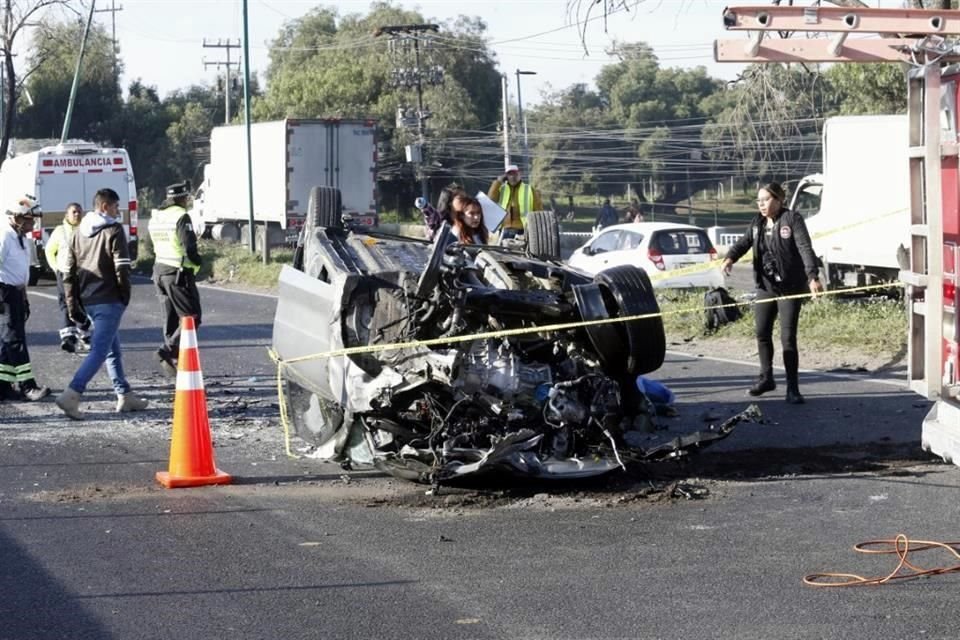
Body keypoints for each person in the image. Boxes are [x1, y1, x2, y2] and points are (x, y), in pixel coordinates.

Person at [720, 182, 822, 405]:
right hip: (765, 287)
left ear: (778, 199)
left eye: (765, 199)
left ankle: (793, 389)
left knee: (788, 338)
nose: (761, 204)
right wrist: (730, 258)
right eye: (759, 200)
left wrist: (812, 277)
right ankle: (766, 378)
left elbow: (805, 248)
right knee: (761, 332)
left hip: (790, 287)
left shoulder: (792, 219)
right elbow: (744, 242)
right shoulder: (757, 223)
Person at [56, 188, 148, 419]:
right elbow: (122, 268)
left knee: (111, 349)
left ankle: (124, 395)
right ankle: (72, 394)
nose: (119, 212)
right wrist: (124, 296)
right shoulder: (114, 230)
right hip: (109, 298)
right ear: (105, 206)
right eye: (116, 207)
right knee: (99, 351)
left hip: (89, 299)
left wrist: (72, 304)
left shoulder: (77, 233)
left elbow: (68, 271)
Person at [150, 181, 203, 377]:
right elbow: (189, 247)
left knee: (171, 319)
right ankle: (167, 350)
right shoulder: (181, 216)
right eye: (186, 198)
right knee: (191, 318)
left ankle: (175, 365)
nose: (188, 201)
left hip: (159, 271)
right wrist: (198, 263)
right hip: (178, 273)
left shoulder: (157, 217)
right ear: (181, 198)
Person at [0, 196, 50, 402]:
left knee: (6, 342)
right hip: (4, 292)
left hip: (17, 292)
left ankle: (2, 387)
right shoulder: (5, 237)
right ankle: (28, 386)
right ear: (17, 218)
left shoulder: (22, 239)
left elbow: (21, 272)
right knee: (15, 341)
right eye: (29, 219)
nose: (33, 223)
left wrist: (24, 296)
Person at [45, 202, 91, 353]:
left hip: (83, 273)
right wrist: (56, 268)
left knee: (83, 303)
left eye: (79, 212)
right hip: (64, 274)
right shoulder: (60, 231)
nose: (77, 214)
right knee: (66, 304)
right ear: (67, 215)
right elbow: (50, 251)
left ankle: (85, 334)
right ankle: (68, 338)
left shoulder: (86, 230)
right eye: (74, 212)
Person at [487, 164, 542, 239]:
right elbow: (490, 199)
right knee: (505, 250)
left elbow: (538, 209)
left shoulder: (529, 189)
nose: (513, 176)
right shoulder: (501, 189)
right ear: (506, 176)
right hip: (506, 229)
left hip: (525, 229)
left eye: (515, 174)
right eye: (510, 174)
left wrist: (537, 228)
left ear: (519, 175)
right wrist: (498, 181)